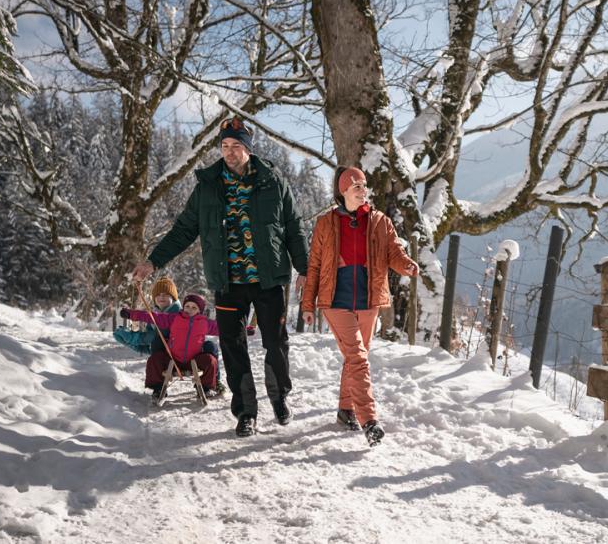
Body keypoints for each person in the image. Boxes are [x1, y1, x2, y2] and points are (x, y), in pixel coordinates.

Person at [131, 117, 310, 438]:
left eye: (236, 146)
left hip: (269, 280)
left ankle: (279, 397)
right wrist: (152, 262)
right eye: (225, 146)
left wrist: (306, 269)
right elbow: (183, 230)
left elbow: (294, 228)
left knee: (276, 342)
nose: (229, 152)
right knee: (232, 345)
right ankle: (246, 412)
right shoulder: (208, 187)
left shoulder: (273, 181)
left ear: (249, 149)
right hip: (228, 283)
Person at [301, 167, 419, 447]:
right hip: (335, 300)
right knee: (358, 357)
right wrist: (308, 303)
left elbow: (394, 252)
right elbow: (314, 266)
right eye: (356, 186)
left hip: (369, 300)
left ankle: (345, 410)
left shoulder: (380, 221)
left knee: (355, 358)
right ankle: (368, 419)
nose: (362, 190)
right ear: (343, 191)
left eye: (364, 185)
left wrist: (406, 265)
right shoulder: (325, 223)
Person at [113, 277, 227, 395]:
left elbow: (225, 330)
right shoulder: (175, 318)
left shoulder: (205, 323)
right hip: (172, 358)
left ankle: (206, 387)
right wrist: (131, 315)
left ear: (200, 310)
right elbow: (152, 317)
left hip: (194, 359)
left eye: (194, 307)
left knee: (210, 359)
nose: (190, 309)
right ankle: (158, 387)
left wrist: (244, 330)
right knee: (154, 358)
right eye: (187, 306)